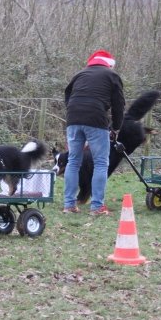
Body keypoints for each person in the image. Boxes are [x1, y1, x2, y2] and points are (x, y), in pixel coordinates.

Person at [63, 50, 125, 215]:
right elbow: (119, 104)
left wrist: (74, 112)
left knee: (73, 161)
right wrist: (116, 127)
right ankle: (97, 207)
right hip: (96, 120)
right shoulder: (112, 76)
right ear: (109, 64)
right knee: (101, 163)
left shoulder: (79, 74)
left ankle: (69, 205)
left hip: (73, 119)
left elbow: (67, 95)